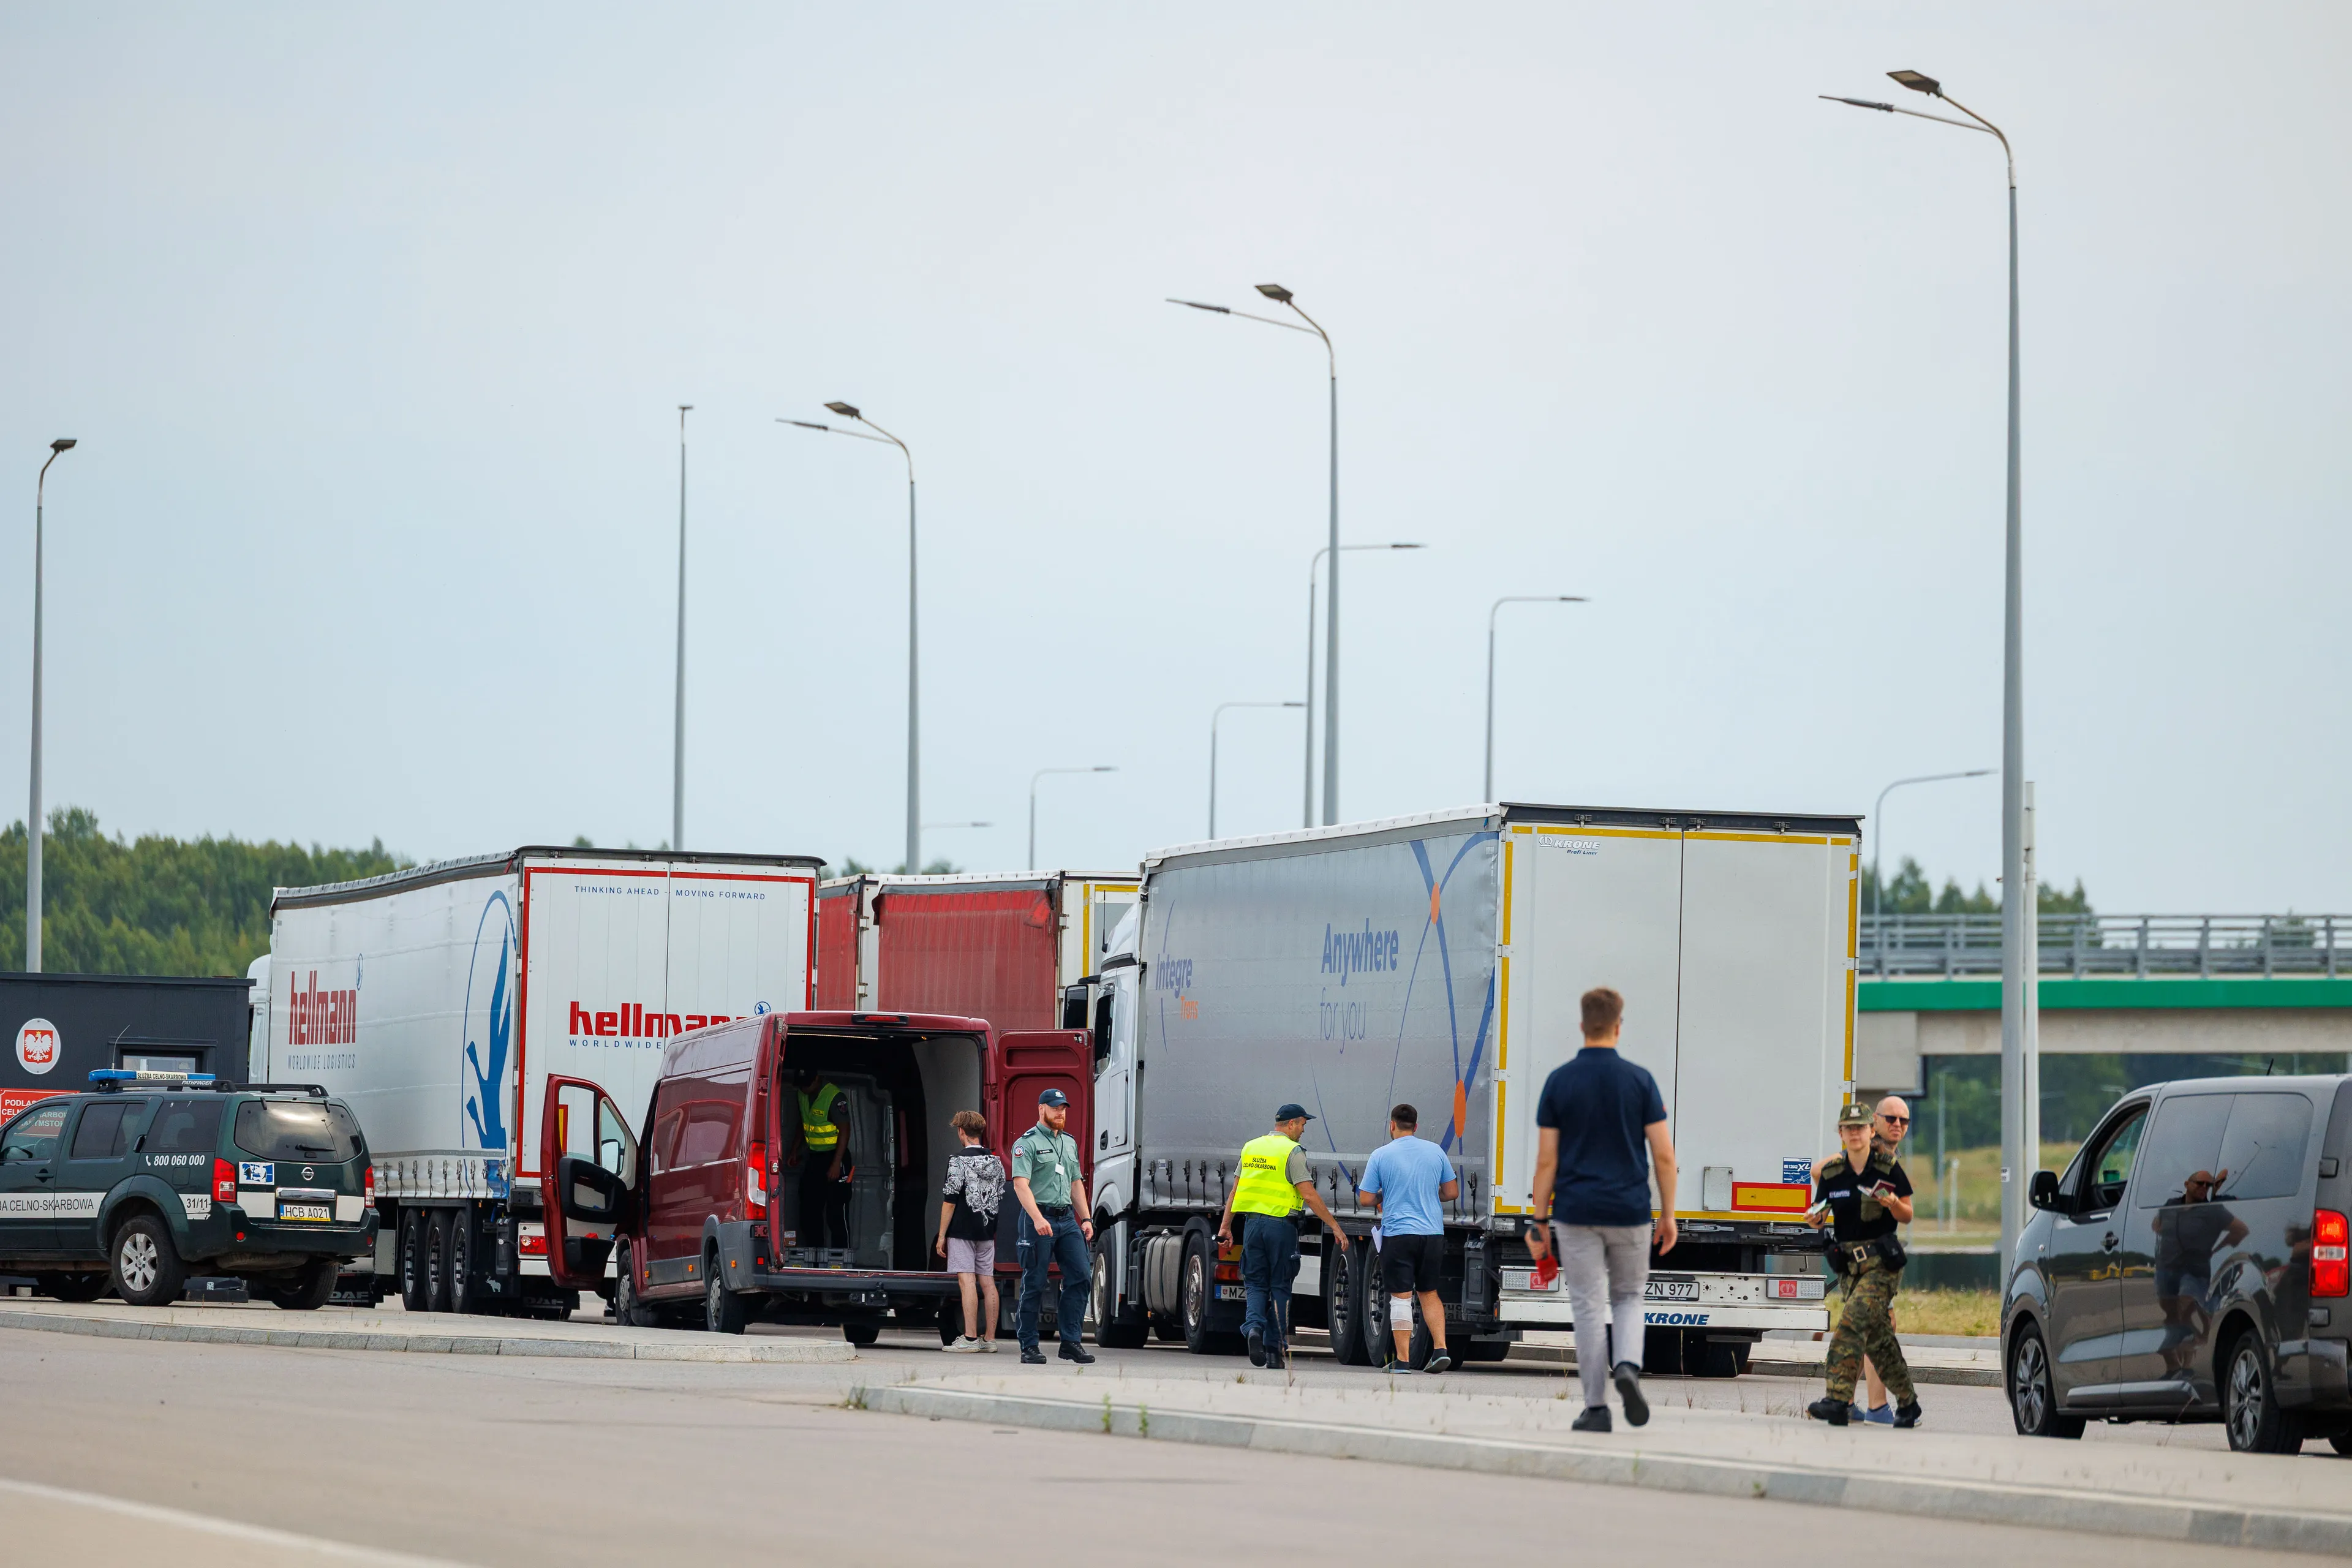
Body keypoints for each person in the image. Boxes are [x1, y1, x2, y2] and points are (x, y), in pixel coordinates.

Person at [1525, 986, 1678, 1433]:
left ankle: (1596, 1408)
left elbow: (1546, 1161)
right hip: (1630, 1210)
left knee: (1589, 1307)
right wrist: (1667, 1215)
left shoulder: (1559, 1081)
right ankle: (1628, 1364)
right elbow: (1664, 1156)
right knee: (1629, 1297)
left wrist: (1538, 1221)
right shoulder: (1640, 1080)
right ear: (1617, 1026)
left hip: (1576, 1211)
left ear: (1582, 1026)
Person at [1806, 1100, 1921, 1428]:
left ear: (1871, 1132)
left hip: (1881, 1266)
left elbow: (1907, 1215)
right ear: (1841, 1134)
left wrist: (1894, 1202)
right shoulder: (1833, 1173)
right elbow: (1821, 1212)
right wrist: (1815, 1219)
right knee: (1877, 1338)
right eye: (1849, 1128)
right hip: (1849, 1267)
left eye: (1861, 1128)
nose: (1855, 1133)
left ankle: (1838, 1400)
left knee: (1851, 1324)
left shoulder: (1887, 1168)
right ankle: (1908, 1403)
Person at [1217, 1102, 1350, 1369]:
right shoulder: (1293, 1151)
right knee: (1280, 1286)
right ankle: (1274, 1350)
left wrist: (1225, 1228)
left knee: (1255, 1284)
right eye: (1302, 1124)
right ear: (1290, 1124)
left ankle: (1254, 1328)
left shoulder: (1251, 1147)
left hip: (1252, 1226)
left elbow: (1235, 1192)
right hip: (1281, 1227)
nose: (1303, 1130)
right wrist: (1335, 1226)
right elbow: (1309, 1194)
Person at [1355, 1102, 1460, 1373]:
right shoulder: (1435, 1152)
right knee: (1429, 1293)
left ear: (1392, 1125)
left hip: (1399, 1234)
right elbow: (1451, 1192)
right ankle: (1440, 1350)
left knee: (1401, 1298)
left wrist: (1383, 1197)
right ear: (1416, 1127)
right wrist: (1428, 1196)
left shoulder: (1381, 1155)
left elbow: (1366, 1199)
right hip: (1432, 1235)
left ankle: (1402, 1361)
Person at [1011, 1088, 1095, 1365]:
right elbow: (1020, 1184)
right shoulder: (1028, 1143)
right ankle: (1029, 1346)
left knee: (1082, 1277)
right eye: (1055, 1108)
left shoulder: (1069, 1143)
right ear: (1041, 1110)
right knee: (1034, 1282)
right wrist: (1037, 1218)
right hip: (1039, 1218)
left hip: (1067, 1220)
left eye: (1064, 1108)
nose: (1061, 1113)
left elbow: (1075, 1184)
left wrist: (1085, 1218)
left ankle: (1071, 1342)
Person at [2152, 1168, 2247, 1374]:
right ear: (2187, 1184)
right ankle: (2177, 1367)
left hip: (2195, 1269)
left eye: (2209, 1185)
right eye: (2200, 1184)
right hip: (2167, 1268)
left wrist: (2218, 1247)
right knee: (2172, 1316)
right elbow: (2156, 1225)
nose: (2205, 1188)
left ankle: (2194, 1349)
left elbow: (2241, 1229)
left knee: (2186, 1304)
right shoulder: (2171, 1205)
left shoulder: (2212, 1210)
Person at [935, 1109, 1004, 1352]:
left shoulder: (958, 1161)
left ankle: (971, 1339)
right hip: (987, 1230)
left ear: (962, 1132)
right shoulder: (996, 1162)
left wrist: (942, 1235)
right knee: (988, 1282)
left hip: (962, 1231)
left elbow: (950, 1201)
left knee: (967, 1282)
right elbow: (1000, 1194)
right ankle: (991, 1340)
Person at [788, 1068, 852, 1251]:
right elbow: (804, 1122)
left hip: (836, 1157)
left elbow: (845, 1132)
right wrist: (795, 1150)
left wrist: (835, 1164)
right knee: (809, 1211)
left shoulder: (834, 1096)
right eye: (801, 1085)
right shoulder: (802, 1093)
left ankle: (841, 1259)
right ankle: (815, 1257)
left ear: (817, 1079)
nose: (804, 1089)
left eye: (807, 1084)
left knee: (836, 1213)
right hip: (815, 1158)